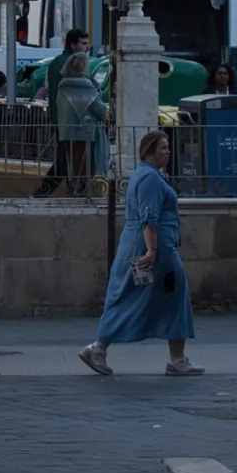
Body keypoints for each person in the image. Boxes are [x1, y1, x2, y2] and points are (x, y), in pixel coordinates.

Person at [80, 132, 203, 380]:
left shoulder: (145, 175)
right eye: (163, 148)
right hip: (157, 248)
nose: (168, 152)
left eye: (168, 148)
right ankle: (174, 360)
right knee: (172, 295)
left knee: (133, 296)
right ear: (148, 151)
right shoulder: (150, 179)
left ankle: (100, 348)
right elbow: (149, 217)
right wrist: (152, 250)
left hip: (143, 244)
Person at [49, 34, 104, 195]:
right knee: (84, 167)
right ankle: (80, 194)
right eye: (84, 43)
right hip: (84, 132)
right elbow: (99, 109)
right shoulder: (83, 85)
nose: (88, 47)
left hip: (65, 129)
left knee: (69, 165)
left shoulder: (62, 84)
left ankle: (67, 191)